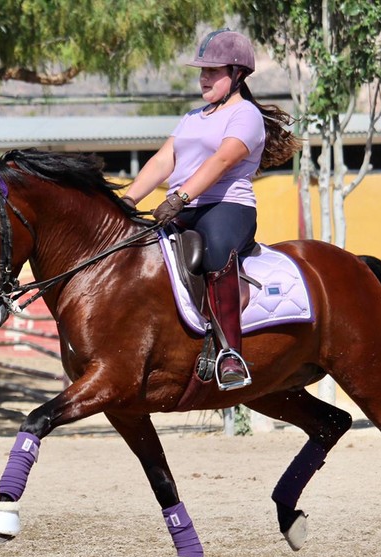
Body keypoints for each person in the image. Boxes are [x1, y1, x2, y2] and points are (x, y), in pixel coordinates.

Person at [122, 28, 301, 391]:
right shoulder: (192, 117)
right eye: (202, 71)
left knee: (216, 251)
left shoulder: (245, 116)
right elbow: (162, 161)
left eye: (212, 71)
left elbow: (222, 160)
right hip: (182, 207)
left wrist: (179, 198)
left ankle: (230, 353)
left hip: (226, 207)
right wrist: (126, 200)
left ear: (237, 75)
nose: (204, 77)